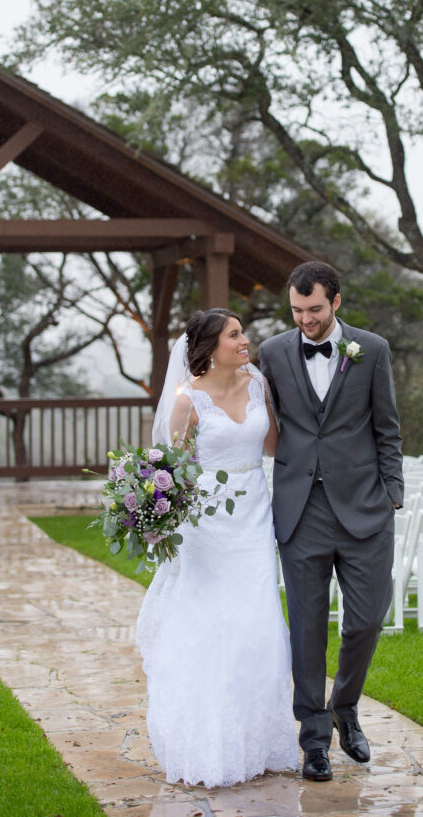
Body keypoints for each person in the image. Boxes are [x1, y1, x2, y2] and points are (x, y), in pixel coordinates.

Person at [135, 308, 298, 788]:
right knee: (210, 627)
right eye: (235, 335)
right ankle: (207, 745)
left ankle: (259, 742)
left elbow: (271, 447)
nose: (245, 340)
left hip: (253, 518)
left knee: (258, 624)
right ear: (209, 347)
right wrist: (156, 517)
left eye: (242, 332)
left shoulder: (258, 385)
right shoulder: (188, 401)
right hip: (207, 527)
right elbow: (173, 475)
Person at [259, 262, 403, 782]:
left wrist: (393, 495)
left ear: (336, 302)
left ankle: (346, 705)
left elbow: (388, 427)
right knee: (307, 631)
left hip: (365, 508)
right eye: (297, 311)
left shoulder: (373, 350)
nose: (306, 320)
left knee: (366, 620)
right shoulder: (273, 352)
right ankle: (314, 741)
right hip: (301, 510)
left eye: (315, 309)